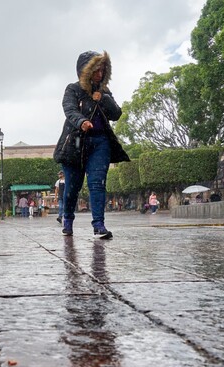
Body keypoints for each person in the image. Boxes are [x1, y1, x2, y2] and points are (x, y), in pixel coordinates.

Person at [53, 50, 129, 239]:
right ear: (85, 71)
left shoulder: (104, 92)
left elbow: (116, 114)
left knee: (97, 183)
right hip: (75, 143)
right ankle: (68, 220)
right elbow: (69, 109)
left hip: (100, 142)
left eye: (103, 70)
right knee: (72, 187)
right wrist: (81, 121)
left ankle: (99, 224)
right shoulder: (73, 89)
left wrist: (103, 98)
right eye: (96, 70)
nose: (100, 74)